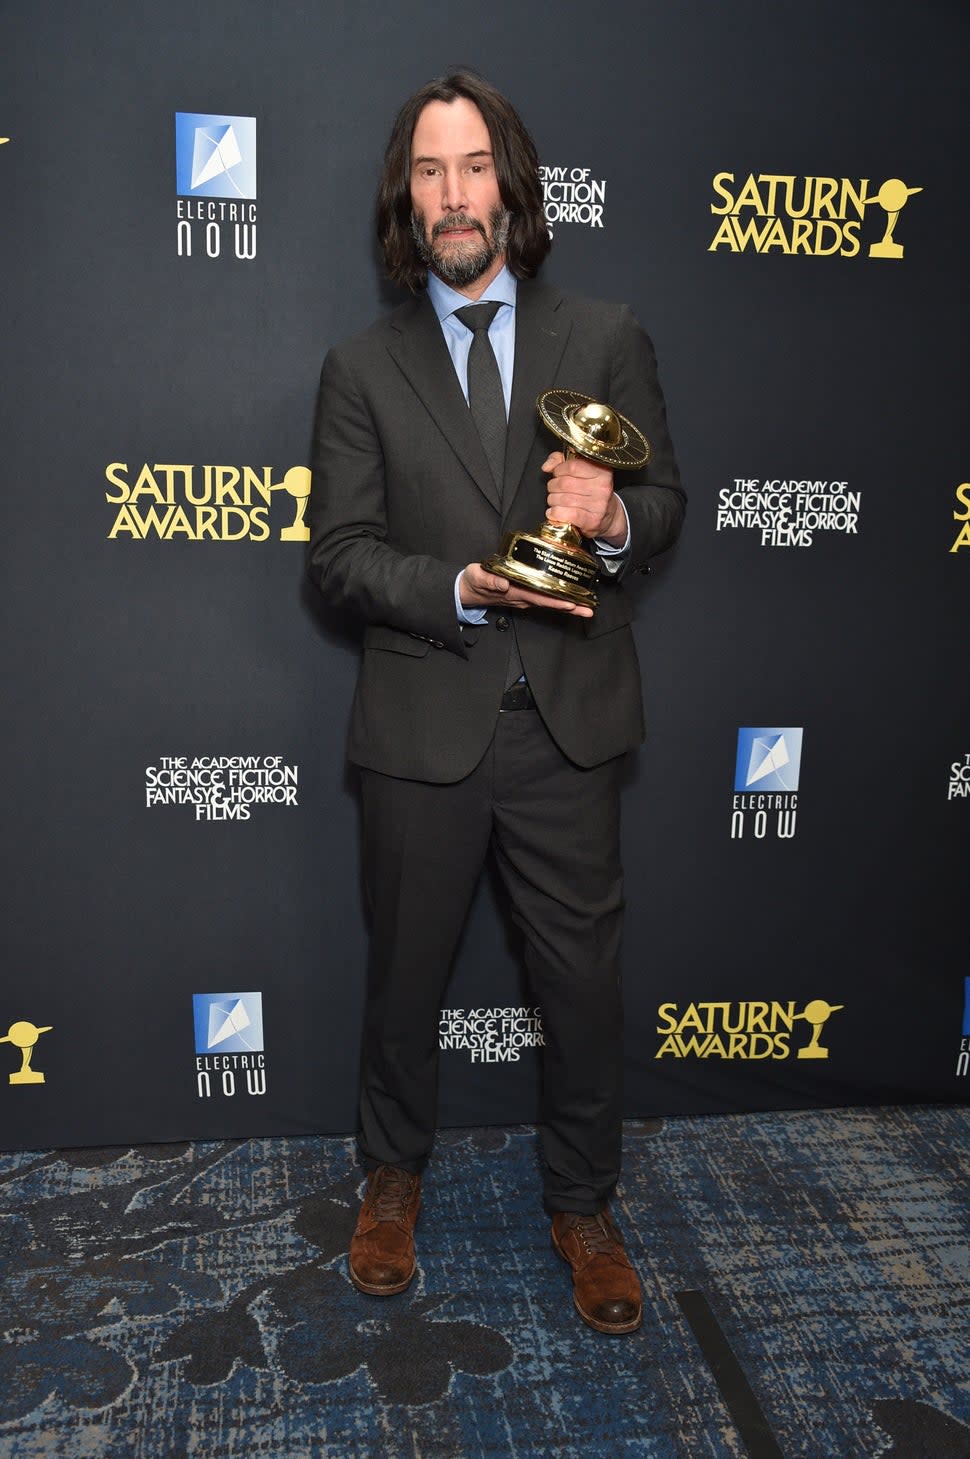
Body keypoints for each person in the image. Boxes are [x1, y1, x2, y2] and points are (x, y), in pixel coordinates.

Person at [307, 70, 685, 1335]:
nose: (453, 195)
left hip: (567, 724)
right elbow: (338, 556)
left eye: (473, 167)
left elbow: (670, 504)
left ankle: (582, 1204)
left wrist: (615, 515)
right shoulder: (362, 368)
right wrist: (457, 585)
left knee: (581, 988)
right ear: (404, 200)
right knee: (404, 981)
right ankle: (391, 1180)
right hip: (426, 720)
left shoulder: (607, 335)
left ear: (511, 187)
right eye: (428, 170)